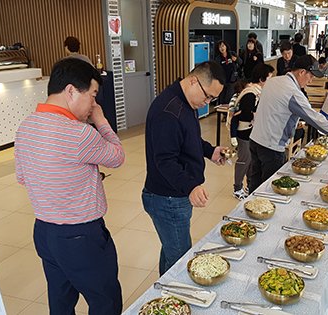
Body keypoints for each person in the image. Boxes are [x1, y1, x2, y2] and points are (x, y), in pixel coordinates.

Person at [15, 58, 124, 315]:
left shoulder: (25, 127)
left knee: (61, 301)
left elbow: (23, 177)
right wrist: (101, 120)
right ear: (72, 91)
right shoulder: (80, 133)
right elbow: (117, 157)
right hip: (81, 236)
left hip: (44, 232)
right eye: (93, 95)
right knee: (105, 300)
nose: (94, 105)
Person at [143, 61, 227, 275]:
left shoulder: (186, 103)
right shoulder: (168, 111)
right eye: (207, 96)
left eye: (213, 99)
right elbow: (165, 161)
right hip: (167, 198)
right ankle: (173, 301)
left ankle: (164, 291)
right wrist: (191, 186)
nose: (207, 102)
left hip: (175, 195)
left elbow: (189, 140)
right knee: (180, 259)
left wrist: (210, 151)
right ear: (193, 81)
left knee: (172, 250)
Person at [248, 55, 328, 193]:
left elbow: (275, 110)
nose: (311, 81)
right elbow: (314, 118)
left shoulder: (274, 81)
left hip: (255, 140)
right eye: (311, 76)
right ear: (302, 72)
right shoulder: (293, 92)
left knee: (255, 185)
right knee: (269, 190)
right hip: (272, 147)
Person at [230, 64, 275, 199]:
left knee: (250, 161)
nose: (270, 82)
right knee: (244, 160)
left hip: (251, 131)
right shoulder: (250, 93)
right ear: (261, 79)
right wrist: (257, 115)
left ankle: (249, 185)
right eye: (269, 78)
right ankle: (237, 188)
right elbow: (243, 115)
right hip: (244, 132)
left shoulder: (256, 91)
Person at [214, 40, 241, 105]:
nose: (222, 48)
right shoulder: (218, 58)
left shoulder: (232, 54)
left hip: (232, 80)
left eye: (223, 46)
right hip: (223, 81)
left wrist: (236, 59)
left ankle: (228, 112)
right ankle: (223, 113)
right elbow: (216, 69)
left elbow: (240, 62)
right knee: (222, 98)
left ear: (226, 46)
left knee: (229, 98)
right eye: (220, 47)